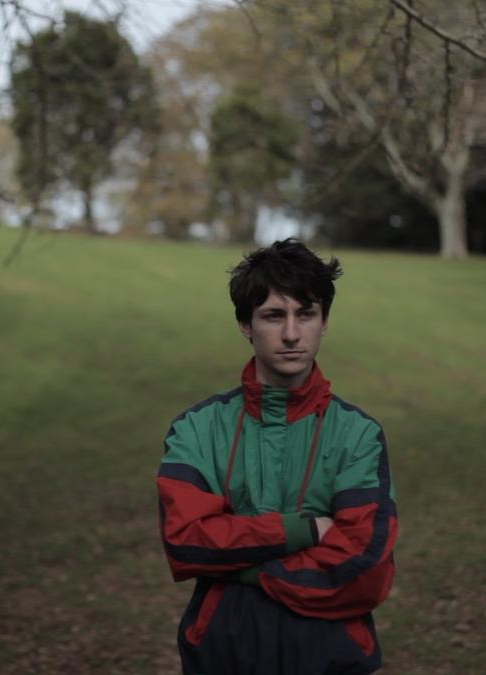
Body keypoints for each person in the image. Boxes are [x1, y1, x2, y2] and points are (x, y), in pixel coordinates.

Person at [156, 239, 398, 675]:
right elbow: (186, 541)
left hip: (328, 657)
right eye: (273, 315)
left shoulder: (359, 435)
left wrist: (246, 570)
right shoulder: (195, 429)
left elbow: (365, 568)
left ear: (324, 322)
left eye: (305, 314)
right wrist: (303, 530)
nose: (291, 333)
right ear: (245, 324)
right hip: (222, 655)